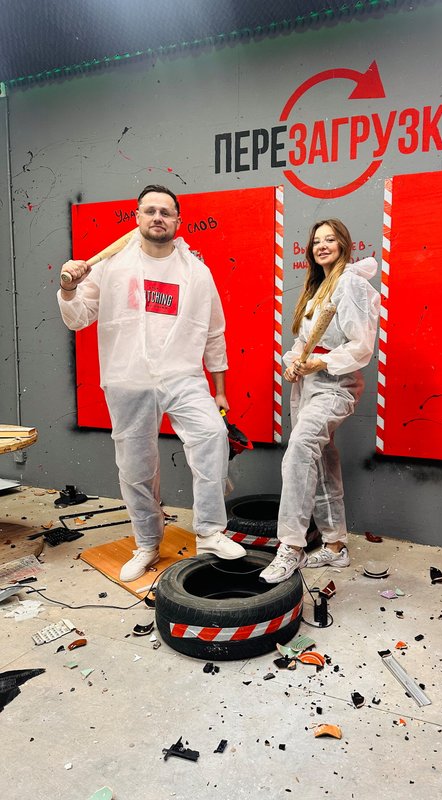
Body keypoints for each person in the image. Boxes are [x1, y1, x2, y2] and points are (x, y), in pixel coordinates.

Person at [57, 184, 245, 582]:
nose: (158, 217)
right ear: (137, 217)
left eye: (166, 212)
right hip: (128, 379)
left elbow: (214, 332)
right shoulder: (111, 266)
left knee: (212, 435)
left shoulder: (196, 272)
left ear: (178, 221)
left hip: (182, 375)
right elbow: (78, 317)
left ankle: (210, 532)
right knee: (136, 466)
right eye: (150, 211)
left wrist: (220, 389)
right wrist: (69, 288)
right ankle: (146, 542)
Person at [260, 219, 380, 584]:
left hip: (336, 384)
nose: (322, 246)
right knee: (322, 459)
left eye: (330, 239)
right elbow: (303, 342)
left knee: (300, 448)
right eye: (316, 241)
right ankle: (335, 545)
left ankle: (291, 547)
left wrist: (321, 362)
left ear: (343, 244)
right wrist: (294, 363)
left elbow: (361, 345)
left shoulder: (351, 285)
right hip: (308, 385)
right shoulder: (316, 290)